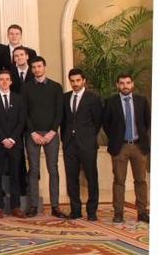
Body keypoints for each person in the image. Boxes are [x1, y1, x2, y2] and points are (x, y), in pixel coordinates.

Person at [103, 73, 150, 224]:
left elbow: (147, 122)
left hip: (138, 146)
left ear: (132, 84)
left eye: (128, 83)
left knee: (141, 180)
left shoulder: (142, 101)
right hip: (120, 146)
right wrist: (116, 138)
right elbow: (106, 124)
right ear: (117, 85)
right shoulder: (111, 102)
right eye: (122, 83)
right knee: (119, 181)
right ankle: (118, 213)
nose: (125, 86)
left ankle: (142, 212)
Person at [21, 56, 65, 218]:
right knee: (33, 170)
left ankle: (55, 206)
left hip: (51, 133)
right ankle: (33, 206)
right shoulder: (26, 88)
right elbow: (24, 112)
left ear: (44, 67)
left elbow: (59, 112)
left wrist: (53, 131)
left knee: (53, 169)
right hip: (32, 134)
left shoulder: (56, 87)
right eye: (34, 67)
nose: (37, 69)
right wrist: (32, 132)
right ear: (31, 69)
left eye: (39, 66)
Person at [60, 68, 102, 221]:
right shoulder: (65, 98)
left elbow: (97, 121)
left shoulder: (93, 98)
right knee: (71, 178)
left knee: (91, 177)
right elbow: (63, 121)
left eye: (78, 80)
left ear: (84, 81)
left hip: (87, 144)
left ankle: (92, 212)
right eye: (72, 81)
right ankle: (75, 210)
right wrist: (65, 139)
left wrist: (88, 137)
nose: (75, 83)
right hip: (70, 145)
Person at [0, 70, 27, 218]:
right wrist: (3, 138)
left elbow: (21, 121)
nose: (4, 82)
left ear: (11, 82)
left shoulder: (18, 99)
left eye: (7, 79)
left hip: (15, 143)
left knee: (15, 175)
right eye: (1, 79)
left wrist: (12, 139)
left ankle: (16, 206)